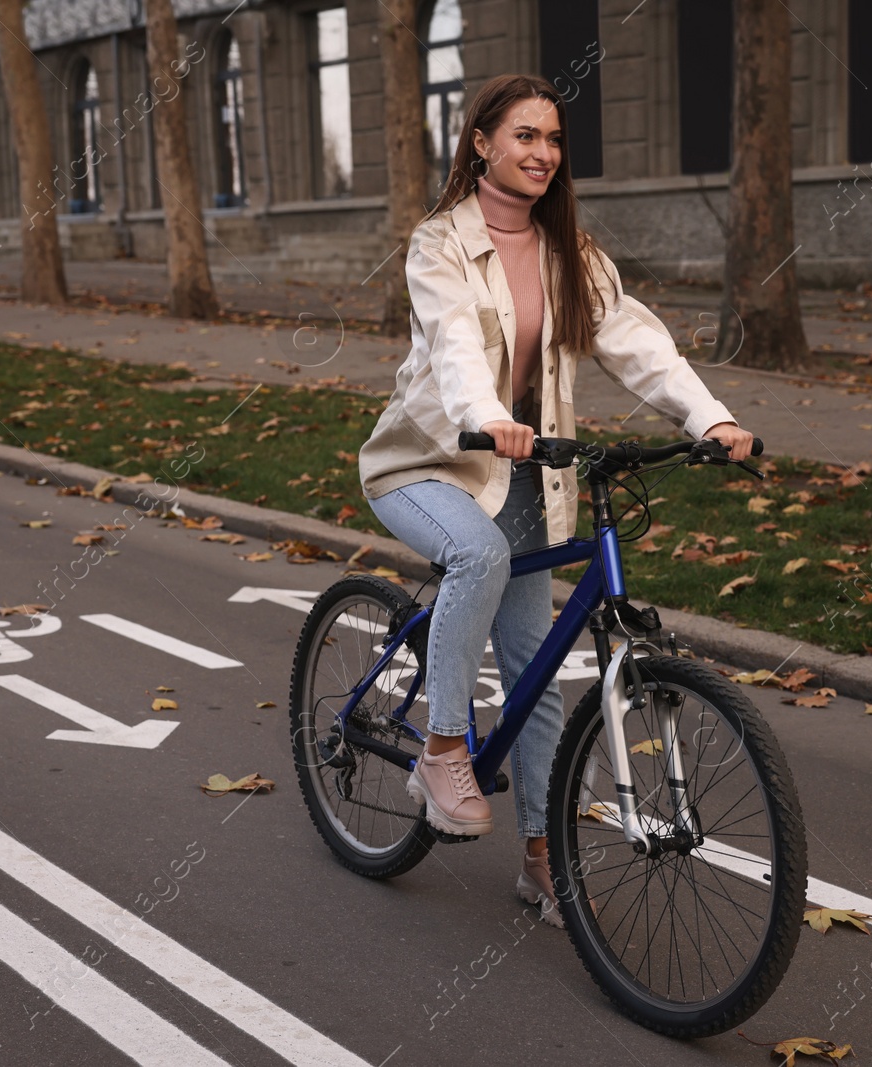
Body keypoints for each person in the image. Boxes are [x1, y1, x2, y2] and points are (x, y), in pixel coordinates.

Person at [358, 73, 753, 927]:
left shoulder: (571, 252)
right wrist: (488, 416)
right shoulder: (439, 245)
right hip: (429, 464)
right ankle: (441, 746)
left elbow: (641, 345)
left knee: (536, 672)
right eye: (525, 136)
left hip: (530, 473)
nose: (542, 153)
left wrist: (711, 418)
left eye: (553, 140)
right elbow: (456, 341)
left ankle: (542, 855)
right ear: (481, 144)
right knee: (478, 553)